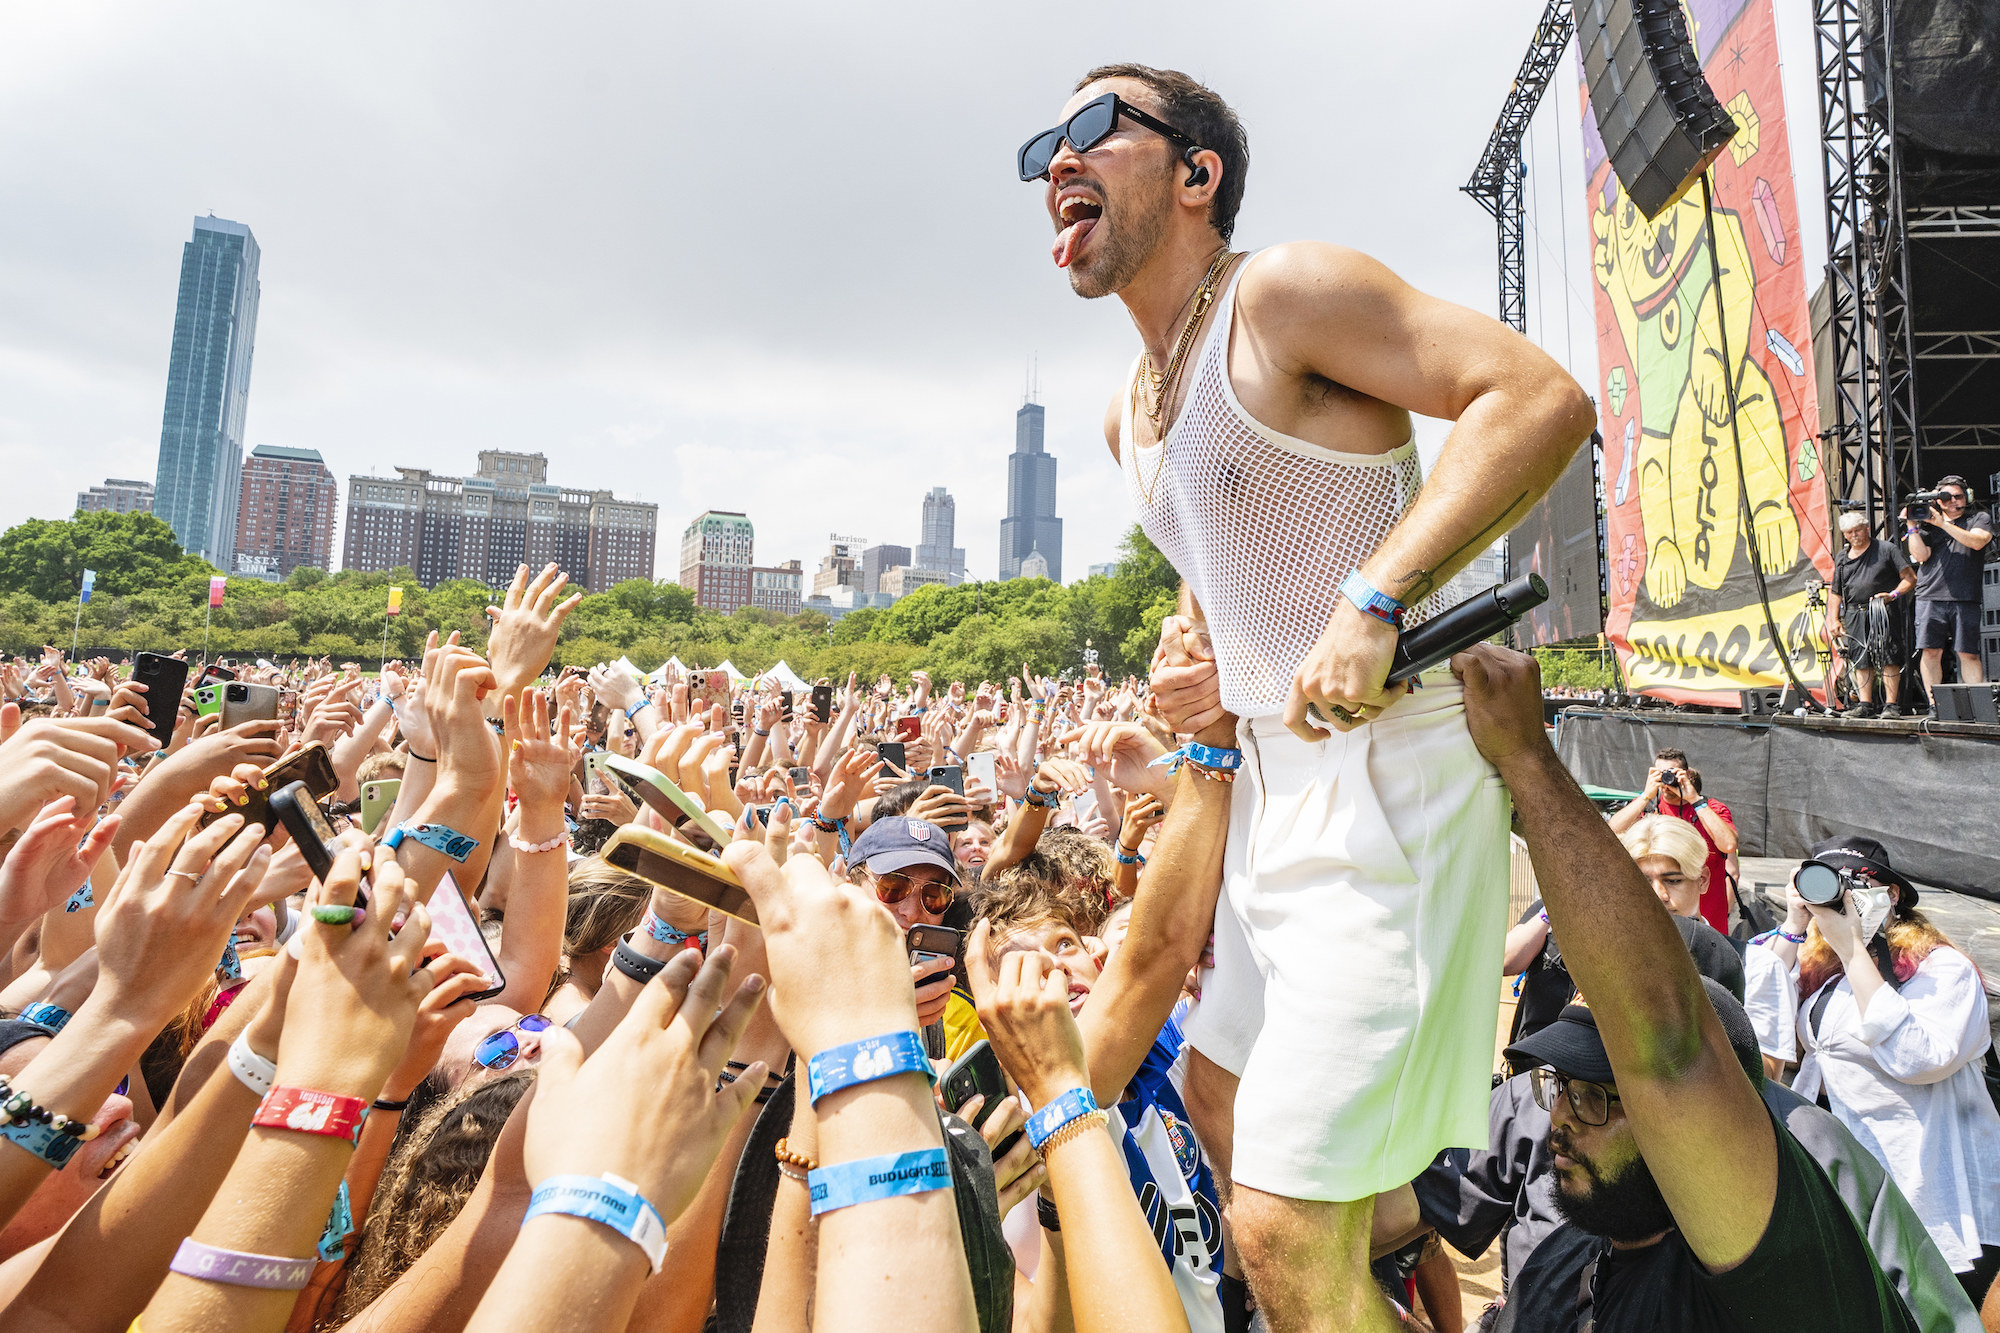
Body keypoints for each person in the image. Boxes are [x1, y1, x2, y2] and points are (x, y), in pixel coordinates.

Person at [1026, 61, 1595, 1329]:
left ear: (1194, 173)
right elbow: (1225, 581)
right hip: (1269, 796)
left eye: (1084, 132)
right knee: (1218, 1103)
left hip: (1387, 774)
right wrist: (1196, 668)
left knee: (1277, 1224)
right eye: (1038, 153)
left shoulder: (1279, 293)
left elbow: (1539, 398)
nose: (1052, 164)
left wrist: (1377, 596)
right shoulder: (1129, 418)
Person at [1452, 642, 1919, 1332]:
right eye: (1561, 1086)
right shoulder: (1559, 1264)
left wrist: (1528, 762)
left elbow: (1670, 1045)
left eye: (1595, 1094)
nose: (1561, 1117)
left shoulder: (1785, 1225)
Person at [1761, 837, 2000, 1310]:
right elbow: (1763, 1023)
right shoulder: (1822, 969)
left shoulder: (1940, 969)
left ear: (1893, 896)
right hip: (1856, 1174)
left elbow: (1919, 1060)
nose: (1846, 898)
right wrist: (1794, 921)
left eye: (1860, 884)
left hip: (1931, 1184)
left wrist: (1852, 952)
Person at [1500, 814, 1741, 1047]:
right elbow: (1506, 962)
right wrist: (1559, 904)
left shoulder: (1742, 961)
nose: (1659, 895)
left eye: (1673, 880)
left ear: (1703, 879)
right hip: (1534, 1072)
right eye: (1642, 881)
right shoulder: (1579, 922)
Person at [1606, 748, 1738, 935]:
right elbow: (1610, 832)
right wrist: (1646, 795)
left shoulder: (1711, 809)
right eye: (1660, 774)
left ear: (1686, 775)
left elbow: (1729, 844)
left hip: (1708, 924)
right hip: (1660, 920)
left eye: (1671, 774)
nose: (1666, 782)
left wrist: (1694, 800)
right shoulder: (1650, 808)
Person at [1905, 476, 1993, 696]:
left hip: (1965, 596)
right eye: (1946, 497)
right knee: (1930, 652)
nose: (1953, 501)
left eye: (1958, 496)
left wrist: (1943, 524)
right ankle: (1935, 704)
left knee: (1968, 653)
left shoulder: (1978, 519)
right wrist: (1911, 525)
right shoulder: (1928, 524)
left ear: (1967, 497)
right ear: (1937, 500)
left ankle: (1978, 704)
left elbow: (1977, 541)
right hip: (1930, 596)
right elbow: (1920, 555)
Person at [1828, 509, 1917, 717]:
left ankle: (1891, 705)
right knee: (1860, 658)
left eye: (1857, 531)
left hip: (1882, 610)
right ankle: (1865, 704)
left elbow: (1910, 578)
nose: (1853, 536)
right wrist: (1833, 619)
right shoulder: (1842, 558)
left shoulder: (1886, 549)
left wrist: (1893, 595)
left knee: (1889, 655)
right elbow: (1835, 593)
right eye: (1848, 533)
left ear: (1867, 528)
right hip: (1854, 612)